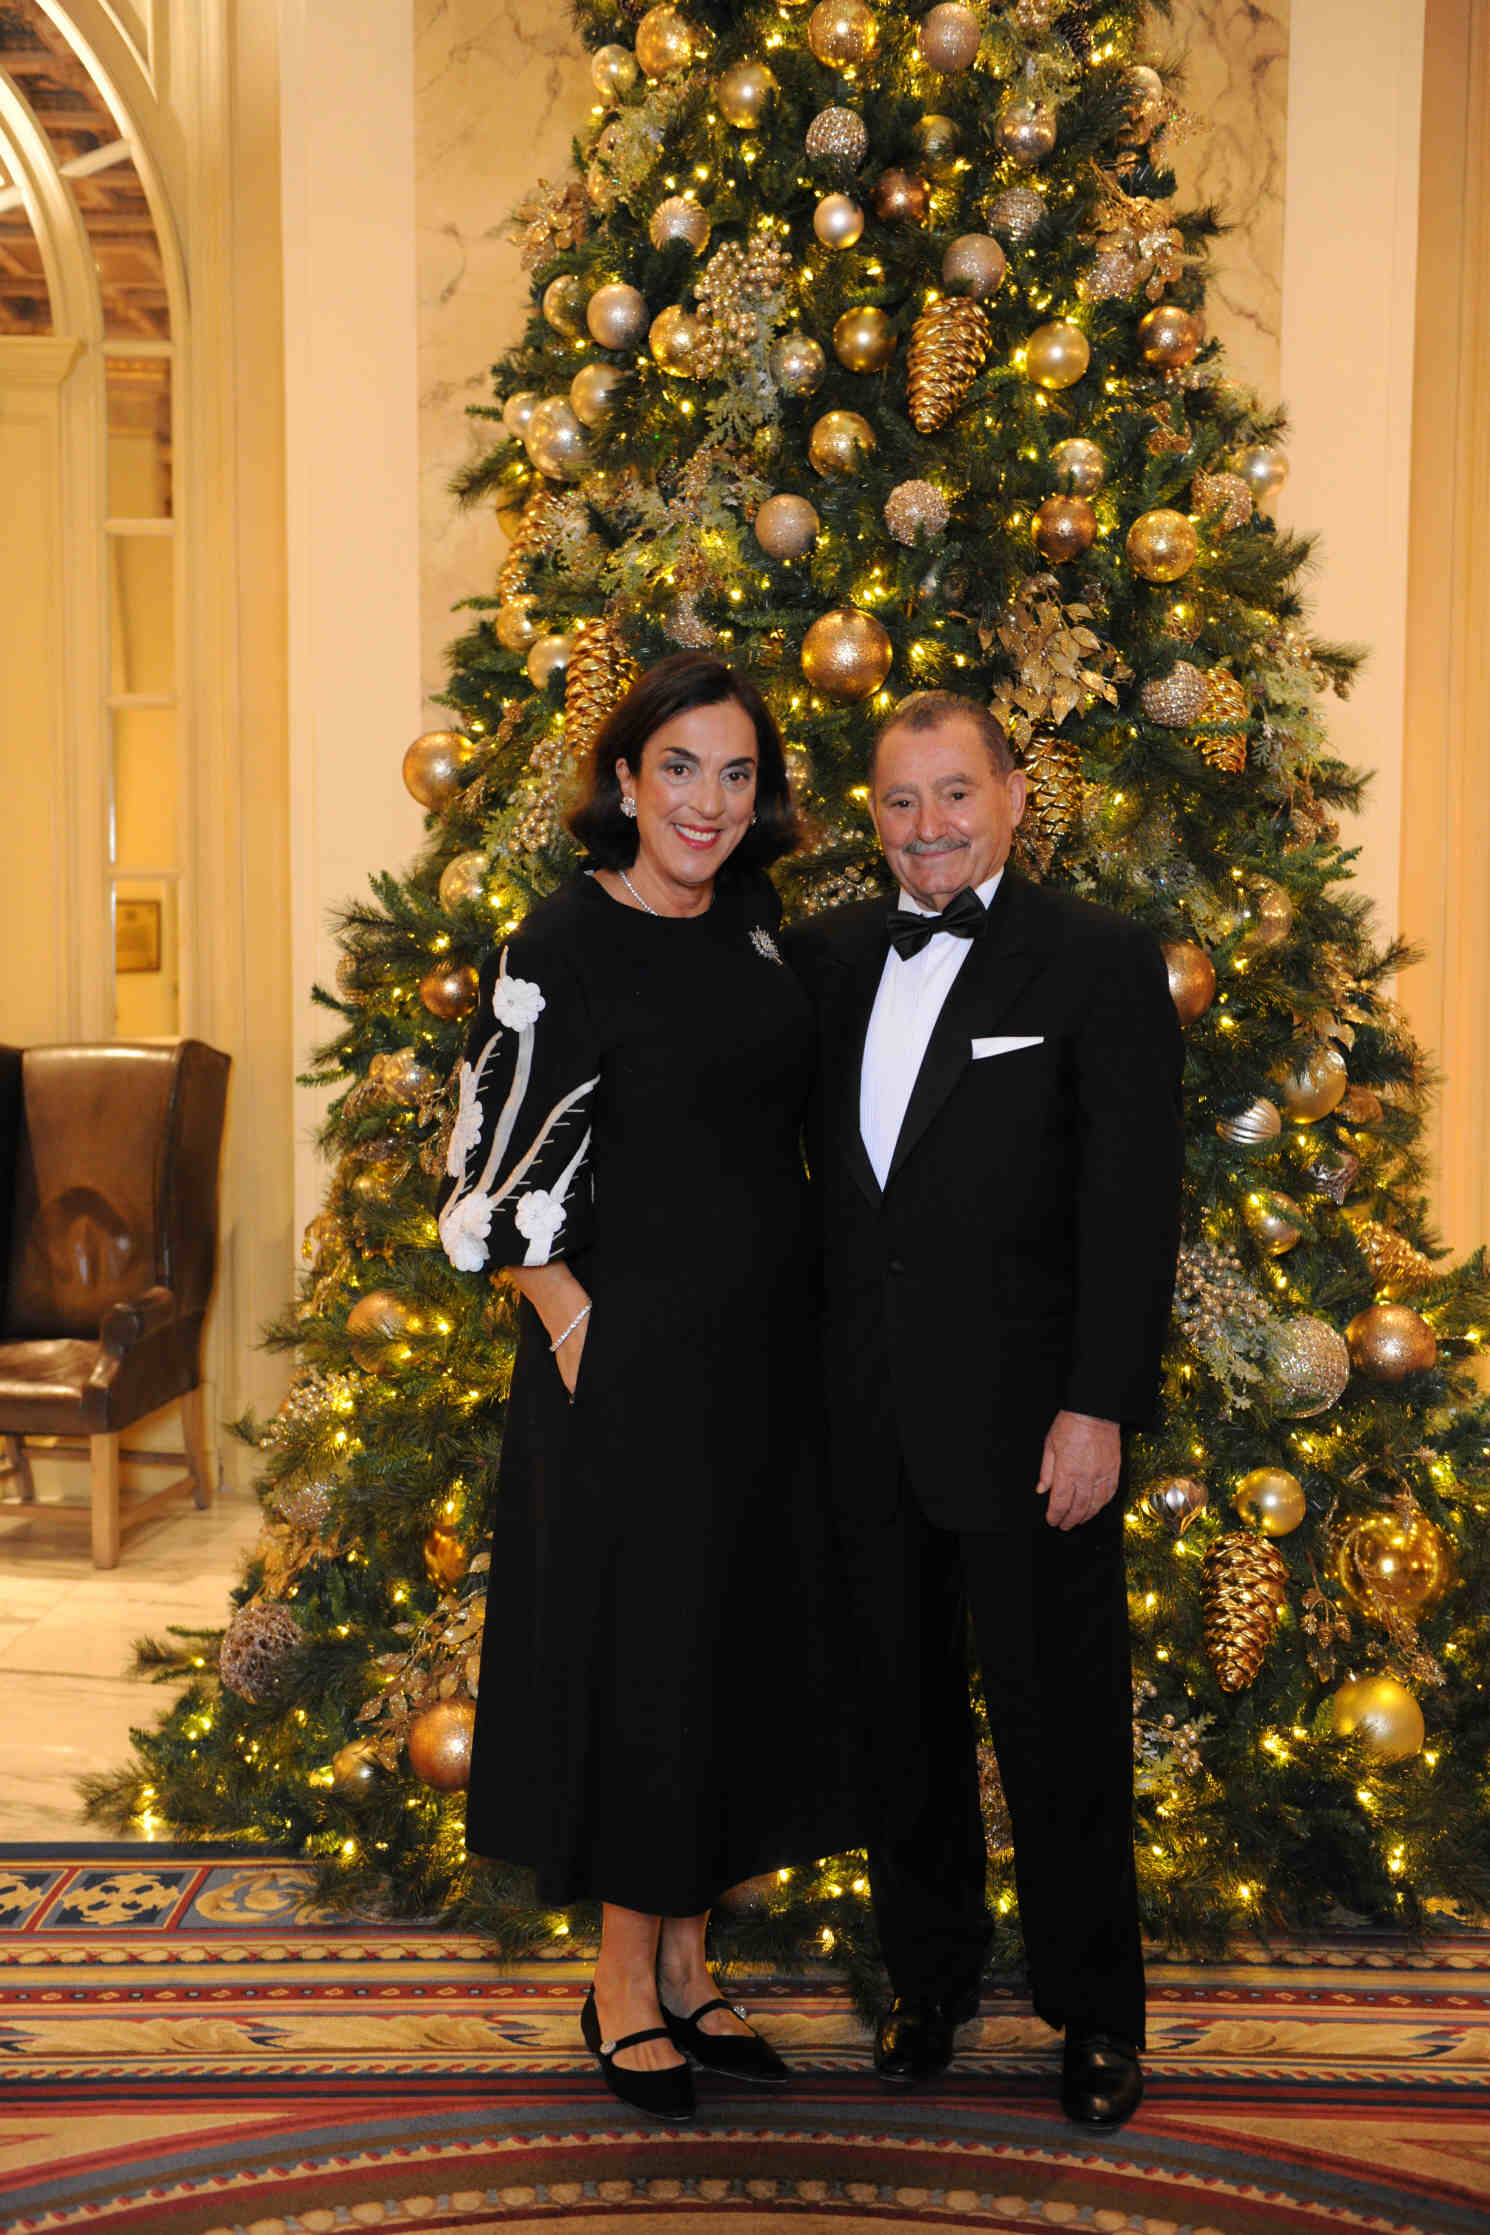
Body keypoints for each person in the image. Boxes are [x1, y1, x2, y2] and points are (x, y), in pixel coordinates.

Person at [436, 652, 857, 2125]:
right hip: (626, 1363)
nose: (707, 802)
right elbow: (484, 1179)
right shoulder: (560, 941)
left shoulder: (755, 925)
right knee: (646, 1659)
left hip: (763, 1359)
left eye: (736, 774)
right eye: (679, 767)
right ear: (624, 779)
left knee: (731, 1647)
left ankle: (688, 1963)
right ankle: (619, 1981)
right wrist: (571, 1327)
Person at [786, 691, 1183, 2129]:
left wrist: (1097, 1408)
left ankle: (1096, 2012)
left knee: (1057, 1723)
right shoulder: (822, 958)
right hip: (859, 1418)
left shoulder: (1098, 959)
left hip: (1032, 1429)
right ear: (870, 815)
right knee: (895, 1718)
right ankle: (928, 1980)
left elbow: (1133, 1209)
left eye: (956, 793)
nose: (929, 827)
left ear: (1013, 796)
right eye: (901, 802)